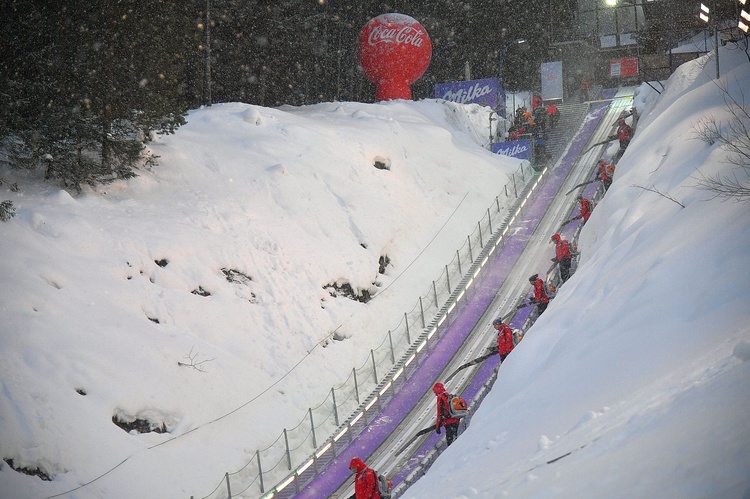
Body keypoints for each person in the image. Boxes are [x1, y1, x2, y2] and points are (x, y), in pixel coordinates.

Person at [433, 382, 461, 446]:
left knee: (450, 443)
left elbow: (439, 413)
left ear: (437, 390)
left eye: (435, 392)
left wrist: (437, 427)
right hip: (455, 419)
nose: (435, 394)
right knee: (455, 439)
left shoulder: (440, 397)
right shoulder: (448, 395)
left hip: (449, 421)